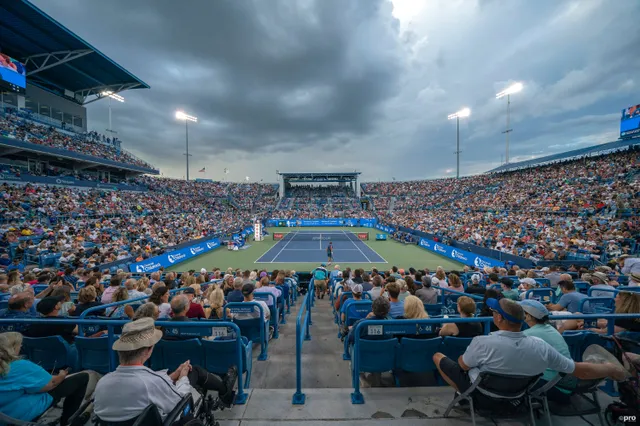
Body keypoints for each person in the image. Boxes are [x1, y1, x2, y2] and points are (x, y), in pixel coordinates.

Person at [432, 298, 627, 398]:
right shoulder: (540, 345)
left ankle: (463, 397)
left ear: (498, 318)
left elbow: (462, 366)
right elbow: (579, 371)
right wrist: (610, 369)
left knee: (440, 357)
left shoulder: (482, 342)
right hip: (518, 395)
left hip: (483, 394)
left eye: (493, 312)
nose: (492, 314)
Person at [93, 318, 237, 422]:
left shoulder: (102, 383)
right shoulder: (151, 382)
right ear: (149, 350)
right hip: (170, 416)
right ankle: (225, 392)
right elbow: (179, 400)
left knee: (194, 371)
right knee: (194, 372)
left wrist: (173, 375)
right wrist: (182, 377)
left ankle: (224, 391)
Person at [0, 332, 90, 425]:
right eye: (20, 345)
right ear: (13, 348)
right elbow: (52, 383)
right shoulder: (20, 366)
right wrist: (62, 375)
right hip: (16, 416)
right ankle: (66, 422)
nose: (21, 346)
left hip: (3, 414)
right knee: (82, 378)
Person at [519, 300, 573, 401]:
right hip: (564, 383)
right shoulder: (551, 329)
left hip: (552, 386)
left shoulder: (527, 334)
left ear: (528, 316)